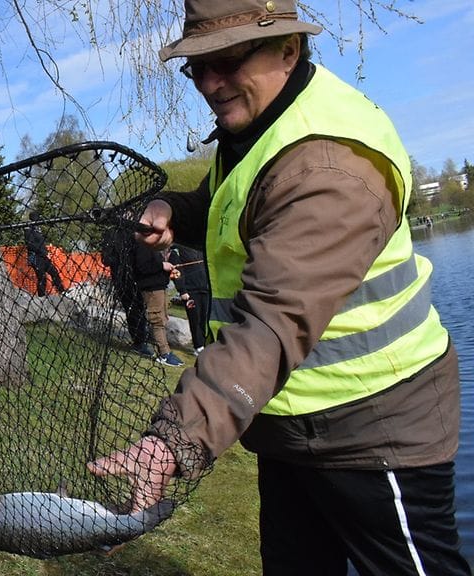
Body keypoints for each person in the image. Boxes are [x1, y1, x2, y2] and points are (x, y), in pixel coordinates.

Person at [88, 2, 470, 574]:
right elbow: (241, 205)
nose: (210, 83)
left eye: (228, 60)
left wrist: (174, 441)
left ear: (288, 49)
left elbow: (270, 324)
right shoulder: (261, 119)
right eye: (196, 67)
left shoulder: (328, 165)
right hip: (287, 426)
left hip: (375, 430)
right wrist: (176, 208)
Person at [101, 224, 151, 357]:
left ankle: (142, 338)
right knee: (133, 308)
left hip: (139, 276)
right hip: (122, 278)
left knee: (140, 307)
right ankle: (139, 341)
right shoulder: (112, 234)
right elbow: (106, 259)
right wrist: (121, 258)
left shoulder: (138, 232)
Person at [169, 244, 207, 355]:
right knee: (195, 318)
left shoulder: (202, 247)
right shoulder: (177, 250)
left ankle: (206, 343)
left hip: (205, 289)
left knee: (205, 318)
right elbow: (176, 272)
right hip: (190, 292)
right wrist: (182, 290)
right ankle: (198, 346)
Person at [23, 211, 65, 296]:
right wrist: (43, 252)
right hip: (35, 257)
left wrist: (45, 252)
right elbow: (31, 244)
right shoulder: (29, 228)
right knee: (42, 277)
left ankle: (62, 291)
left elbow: (41, 243)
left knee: (54, 272)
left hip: (43, 256)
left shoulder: (38, 229)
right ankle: (41, 296)